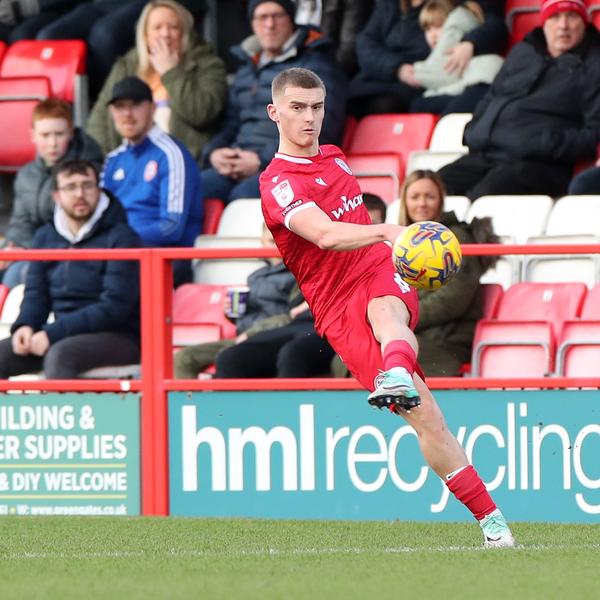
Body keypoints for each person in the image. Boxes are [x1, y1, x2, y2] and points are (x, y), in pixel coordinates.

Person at [260, 66, 515, 547]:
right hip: (335, 305)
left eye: (317, 107)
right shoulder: (278, 183)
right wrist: (388, 230)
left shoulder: (335, 158)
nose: (309, 118)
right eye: (297, 108)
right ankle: (490, 520)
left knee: (386, 310)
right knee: (428, 418)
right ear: (275, 112)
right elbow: (325, 235)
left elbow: (356, 239)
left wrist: (387, 243)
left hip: (377, 268)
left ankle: (396, 374)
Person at [439, 0, 600, 200]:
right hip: (486, 154)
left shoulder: (595, 65)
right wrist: (475, 130)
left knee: (484, 197)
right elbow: (491, 96)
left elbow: (593, 133)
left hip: (540, 165)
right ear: (544, 22)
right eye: (555, 17)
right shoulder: (524, 51)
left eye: (572, 16)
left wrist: (542, 143)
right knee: (432, 189)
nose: (563, 25)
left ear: (584, 22)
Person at [0, 159, 141, 379]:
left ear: (99, 190)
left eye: (87, 185)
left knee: (59, 356)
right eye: (70, 187)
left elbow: (114, 308)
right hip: (61, 334)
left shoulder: (122, 237)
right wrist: (26, 325)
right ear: (56, 195)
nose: (80, 194)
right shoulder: (45, 237)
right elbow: (36, 294)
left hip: (119, 336)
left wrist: (51, 333)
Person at [199, 0, 347, 205]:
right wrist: (215, 153)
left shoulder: (315, 65)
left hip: (291, 163)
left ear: (291, 20)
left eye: (277, 16)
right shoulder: (245, 70)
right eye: (262, 17)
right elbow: (231, 124)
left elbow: (321, 127)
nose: (269, 24)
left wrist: (260, 160)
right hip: (240, 161)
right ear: (252, 23)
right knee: (196, 186)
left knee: (244, 197)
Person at [86, 0, 227, 161]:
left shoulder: (207, 64)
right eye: (157, 27)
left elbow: (202, 113)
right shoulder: (127, 66)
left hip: (182, 163)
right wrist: (110, 161)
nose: (165, 34)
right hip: (130, 164)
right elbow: (99, 120)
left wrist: (171, 73)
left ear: (185, 34)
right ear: (145, 35)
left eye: (173, 27)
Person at [101, 76, 202, 287]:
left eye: (135, 105)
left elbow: (172, 227)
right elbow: (101, 218)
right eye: (120, 107)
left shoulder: (171, 153)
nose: (127, 114)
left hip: (164, 257)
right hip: (121, 254)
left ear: (153, 107)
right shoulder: (112, 160)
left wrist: (119, 241)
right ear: (111, 112)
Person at [398, 170, 498, 375]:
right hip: (412, 331)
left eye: (430, 196)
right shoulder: (399, 241)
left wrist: (402, 318)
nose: (422, 204)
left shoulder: (455, 238)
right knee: (353, 351)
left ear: (441, 201)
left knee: (384, 352)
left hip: (445, 339)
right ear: (404, 202)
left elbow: (452, 299)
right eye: (415, 197)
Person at [0, 98, 103, 289]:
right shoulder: (26, 175)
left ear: (71, 133)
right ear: (33, 135)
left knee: (15, 275)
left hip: (69, 254)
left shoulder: (86, 170)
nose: (52, 143)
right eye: (45, 135)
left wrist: (28, 250)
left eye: (59, 134)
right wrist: (14, 247)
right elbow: (21, 222)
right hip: (33, 249)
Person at [174, 224, 300, 379]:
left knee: (228, 359)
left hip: (273, 339)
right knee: (183, 358)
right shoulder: (256, 275)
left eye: (283, 241)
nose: (277, 248)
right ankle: (191, 396)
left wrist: (252, 333)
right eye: (272, 242)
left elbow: (295, 318)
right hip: (243, 339)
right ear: (262, 241)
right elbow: (254, 312)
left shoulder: (299, 274)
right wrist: (231, 313)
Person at [347, 0, 507, 118]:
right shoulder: (389, 5)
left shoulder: (453, 9)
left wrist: (470, 43)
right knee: (346, 104)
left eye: (436, 28)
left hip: (415, 85)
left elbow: (494, 26)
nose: (433, 34)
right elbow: (364, 43)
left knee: (385, 106)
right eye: (428, 29)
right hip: (381, 76)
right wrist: (397, 68)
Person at [410, 0, 503, 114]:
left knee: (420, 106)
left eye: (438, 26)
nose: (432, 35)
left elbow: (440, 74)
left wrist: (410, 72)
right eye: (428, 29)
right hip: (473, 85)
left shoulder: (454, 33)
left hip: (483, 83)